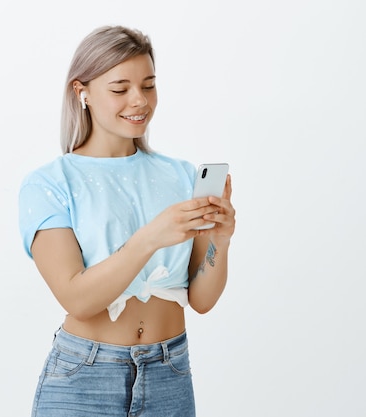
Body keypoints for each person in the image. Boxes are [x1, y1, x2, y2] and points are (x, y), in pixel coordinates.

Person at [18, 25, 235, 417]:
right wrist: (151, 237)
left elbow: (202, 300)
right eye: (120, 88)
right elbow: (77, 298)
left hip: (170, 374)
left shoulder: (182, 176)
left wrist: (221, 239)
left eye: (149, 85)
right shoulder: (49, 184)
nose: (139, 101)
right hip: (84, 379)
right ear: (80, 92)